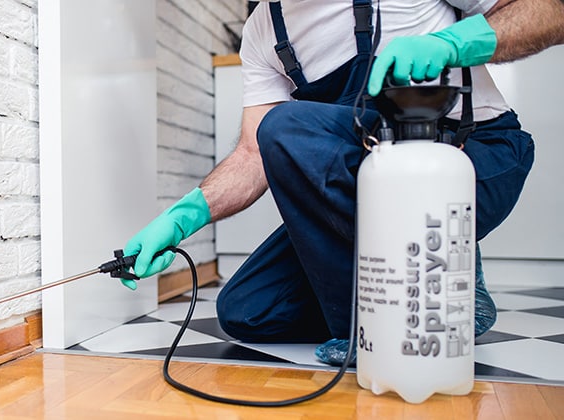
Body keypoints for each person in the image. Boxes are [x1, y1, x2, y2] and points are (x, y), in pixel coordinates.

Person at [122, 0, 564, 364]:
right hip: (370, 180)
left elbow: (549, 10)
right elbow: (251, 154)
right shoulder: (263, 29)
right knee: (247, 311)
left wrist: (455, 42)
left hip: (470, 161)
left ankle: (370, 330)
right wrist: (181, 219)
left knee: (286, 126)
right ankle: (441, 298)